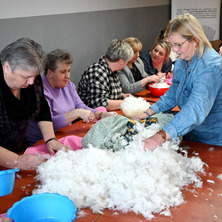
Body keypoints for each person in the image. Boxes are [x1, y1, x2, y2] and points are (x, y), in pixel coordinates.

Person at [136, 13, 222, 150]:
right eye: (171, 45)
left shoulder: (210, 66)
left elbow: (195, 107)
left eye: (178, 45)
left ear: (195, 40)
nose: (175, 50)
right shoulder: (183, 61)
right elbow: (174, 92)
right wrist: (148, 112)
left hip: (212, 139)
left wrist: (161, 136)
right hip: (190, 132)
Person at [0, 38, 68, 170]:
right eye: (26, 76)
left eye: (34, 76)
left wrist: (50, 139)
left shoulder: (31, 79)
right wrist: (16, 161)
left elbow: (42, 107)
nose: (31, 82)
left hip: (19, 150)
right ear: (7, 67)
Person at [27, 49, 116, 145]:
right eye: (63, 72)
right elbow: (49, 123)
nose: (68, 76)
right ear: (50, 73)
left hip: (63, 134)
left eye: (69, 71)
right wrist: (76, 113)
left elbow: (81, 106)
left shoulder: (68, 85)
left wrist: (100, 115)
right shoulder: (40, 90)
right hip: (42, 142)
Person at [78, 39, 134, 111]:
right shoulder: (98, 72)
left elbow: (106, 92)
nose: (126, 64)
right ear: (121, 61)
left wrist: (121, 95)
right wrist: (127, 102)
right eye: (127, 62)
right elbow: (100, 103)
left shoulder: (112, 69)